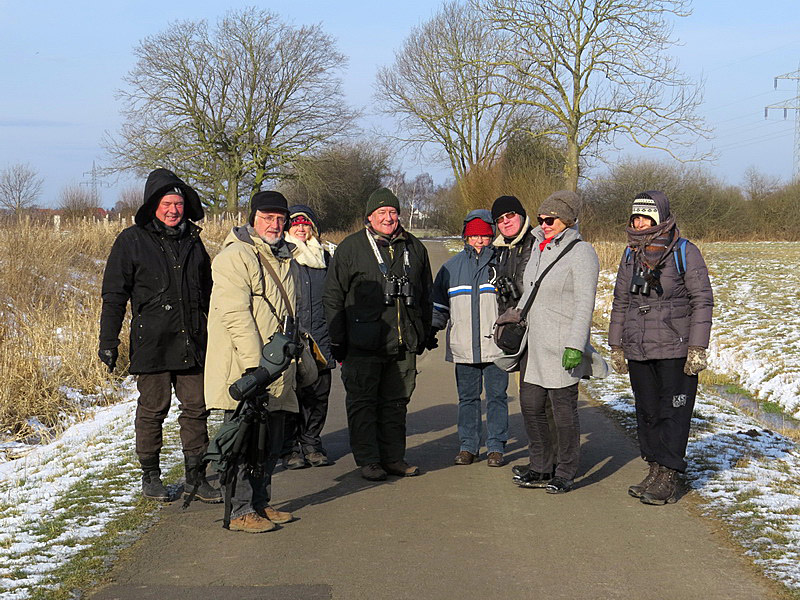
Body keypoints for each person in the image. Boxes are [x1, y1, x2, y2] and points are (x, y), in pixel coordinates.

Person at [98, 168, 220, 504]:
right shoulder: (131, 241)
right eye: (167, 203)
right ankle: (150, 476)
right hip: (152, 342)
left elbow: (211, 294)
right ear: (154, 205)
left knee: (197, 408)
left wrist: (225, 336)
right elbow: (114, 295)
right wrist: (108, 341)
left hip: (192, 340)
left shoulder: (194, 242)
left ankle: (196, 477)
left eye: (178, 203)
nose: (173, 210)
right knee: (153, 409)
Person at [608, 191, 713, 505]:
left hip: (675, 348)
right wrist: (616, 344)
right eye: (636, 217)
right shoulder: (630, 255)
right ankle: (655, 467)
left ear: (660, 218)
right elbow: (621, 301)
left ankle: (669, 474)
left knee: (673, 413)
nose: (640, 222)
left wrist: (697, 347)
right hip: (639, 348)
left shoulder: (684, 252)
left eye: (647, 217)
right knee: (648, 412)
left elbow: (702, 300)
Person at [204, 191, 299, 533]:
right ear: (252, 218)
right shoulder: (235, 257)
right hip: (249, 368)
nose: (275, 223)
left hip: (277, 367)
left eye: (280, 217)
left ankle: (260, 501)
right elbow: (235, 315)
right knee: (244, 439)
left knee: (270, 441)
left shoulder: (285, 256)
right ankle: (240, 510)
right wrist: (254, 369)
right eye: (267, 217)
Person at [323, 187, 433, 482]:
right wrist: (338, 337)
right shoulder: (351, 248)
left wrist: (424, 331)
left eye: (393, 212)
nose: (388, 218)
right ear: (369, 217)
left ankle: (393, 457)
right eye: (382, 213)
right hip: (363, 343)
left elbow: (425, 294)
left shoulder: (415, 248)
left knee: (396, 404)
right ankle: (369, 460)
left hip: (402, 341)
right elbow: (333, 296)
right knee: (363, 404)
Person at [512, 191, 607, 494]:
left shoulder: (582, 253)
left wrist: (575, 345)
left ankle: (565, 470)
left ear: (567, 220)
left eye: (550, 219)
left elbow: (584, 304)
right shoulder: (538, 246)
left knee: (564, 412)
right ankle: (540, 466)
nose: (544, 223)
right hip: (534, 343)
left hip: (562, 345)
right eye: (540, 218)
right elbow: (530, 291)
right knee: (531, 406)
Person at [431, 209, 509, 467]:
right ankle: (468, 446)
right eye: (473, 235)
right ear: (466, 236)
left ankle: (496, 447)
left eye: (484, 236)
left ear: (492, 236)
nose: (478, 241)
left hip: (496, 347)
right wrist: (432, 329)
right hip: (463, 347)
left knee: (497, 398)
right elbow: (439, 306)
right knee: (468, 399)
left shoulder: (502, 265)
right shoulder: (450, 268)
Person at [280, 205, 335, 470]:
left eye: (306, 225)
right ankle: (290, 448)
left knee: (318, 393)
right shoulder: (281, 255)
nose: (301, 229)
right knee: (290, 394)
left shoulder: (326, 257)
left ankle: (312, 442)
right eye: (296, 225)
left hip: (321, 336)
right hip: (292, 335)